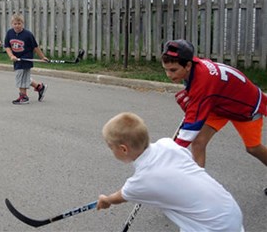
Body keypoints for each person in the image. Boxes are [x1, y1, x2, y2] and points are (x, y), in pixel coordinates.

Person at [98, 112, 244, 232]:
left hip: (213, 227)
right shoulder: (167, 144)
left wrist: (106, 200)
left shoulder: (141, 181)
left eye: (111, 148)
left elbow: (119, 197)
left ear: (124, 149)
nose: (112, 151)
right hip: (230, 210)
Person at [161, 39, 267, 167]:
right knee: (198, 142)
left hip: (246, 108)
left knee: (253, 148)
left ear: (188, 65)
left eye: (173, 70)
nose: (168, 75)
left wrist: (170, 153)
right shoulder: (193, 68)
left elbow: (192, 123)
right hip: (218, 104)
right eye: (165, 70)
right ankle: (198, 184)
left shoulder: (203, 81)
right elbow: (193, 115)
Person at [4, 13, 48, 105]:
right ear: (12, 24)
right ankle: (40, 87)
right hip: (17, 59)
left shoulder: (28, 34)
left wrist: (42, 57)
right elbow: (7, 47)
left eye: (19, 23)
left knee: (20, 76)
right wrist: (11, 56)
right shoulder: (9, 33)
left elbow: (35, 47)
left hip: (26, 58)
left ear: (22, 24)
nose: (17, 26)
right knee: (24, 77)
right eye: (15, 24)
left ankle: (24, 97)